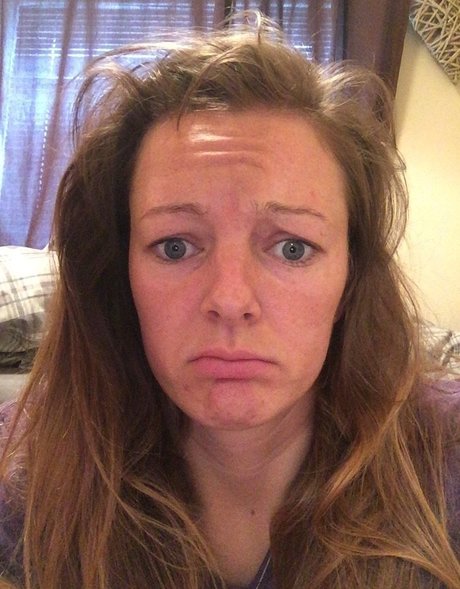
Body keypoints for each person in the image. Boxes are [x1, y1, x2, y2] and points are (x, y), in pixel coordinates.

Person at [0, 12, 459, 589]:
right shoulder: (23, 476)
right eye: (174, 246)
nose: (231, 299)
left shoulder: (447, 464)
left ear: (351, 279)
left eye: (292, 248)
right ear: (120, 276)